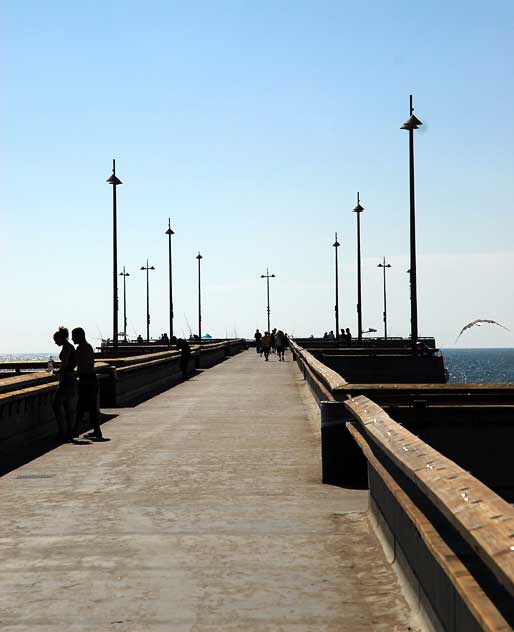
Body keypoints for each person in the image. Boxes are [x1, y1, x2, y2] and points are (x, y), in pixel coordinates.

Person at [71, 327, 104, 441]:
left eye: (74, 336)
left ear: (80, 336)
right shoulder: (88, 347)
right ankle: (97, 431)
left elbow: (76, 365)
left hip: (86, 381)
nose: (72, 338)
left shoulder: (81, 349)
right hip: (92, 380)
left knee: (81, 407)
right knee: (91, 407)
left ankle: (75, 432)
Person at [52, 326, 77, 440]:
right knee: (67, 406)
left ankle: (63, 431)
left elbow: (66, 364)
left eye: (56, 340)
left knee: (57, 404)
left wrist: (57, 371)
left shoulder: (67, 348)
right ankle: (69, 431)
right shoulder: (69, 347)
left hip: (67, 379)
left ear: (61, 338)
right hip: (70, 378)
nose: (55, 342)